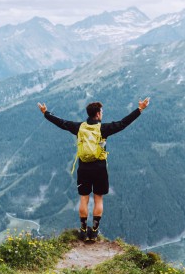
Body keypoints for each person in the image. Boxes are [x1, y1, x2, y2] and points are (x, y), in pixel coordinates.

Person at [37, 98, 150, 240]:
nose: (102, 114)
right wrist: (139, 109)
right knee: (98, 199)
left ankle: (83, 230)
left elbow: (62, 123)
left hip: (83, 168)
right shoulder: (103, 128)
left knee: (84, 198)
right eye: (101, 112)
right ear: (97, 114)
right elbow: (123, 123)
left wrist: (46, 113)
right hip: (100, 168)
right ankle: (94, 231)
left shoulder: (79, 127)